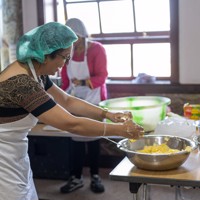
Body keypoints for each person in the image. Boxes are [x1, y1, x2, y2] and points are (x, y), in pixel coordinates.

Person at [0, 22, 144, 200]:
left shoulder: (36, 71)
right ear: (47, 55)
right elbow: (70, 123)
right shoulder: (21, 83)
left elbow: (67, 101)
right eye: (65, 57)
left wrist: (107, 114)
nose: (66, 63)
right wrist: (119, 131)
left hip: (15, 152)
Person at [60, 18, 108, 194]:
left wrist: (81, 82)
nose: (72, 42)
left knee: (93, 138)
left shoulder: (96, 50)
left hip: (93, 99)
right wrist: (61, 95)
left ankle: (95, 176)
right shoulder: (68, 52)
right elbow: (65, 77)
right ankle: (76, 177)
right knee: (74, 138)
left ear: (81, 35)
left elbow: (102, 76)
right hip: (74, 99)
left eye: (74, 37)